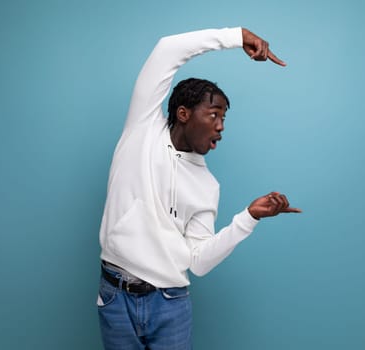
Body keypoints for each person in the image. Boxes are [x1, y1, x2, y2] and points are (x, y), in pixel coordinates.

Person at [97, 26, 301, 350]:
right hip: (115, 296)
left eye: (224, 119)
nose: (221, 126)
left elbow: (199, 261)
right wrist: (236, 37)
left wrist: (248, 217)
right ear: (183, 114)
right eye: (214, 114)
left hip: (170, 304)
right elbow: (167, 49)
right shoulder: (143, 127)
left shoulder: (207, 185)